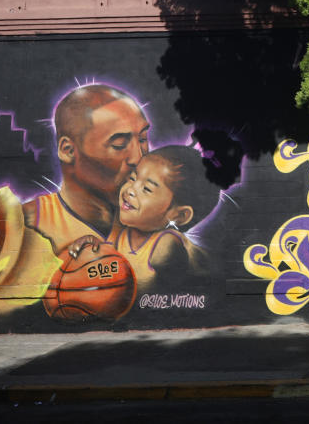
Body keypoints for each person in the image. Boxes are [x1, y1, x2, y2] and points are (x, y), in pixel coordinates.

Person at [72, 145, 220, 293]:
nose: (130, 190)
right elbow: (110, 258)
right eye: (132, 178)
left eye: (147, 189)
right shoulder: (123, 229)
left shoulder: (166, 245)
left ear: (179, 216)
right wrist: (93, 247)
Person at [23, 84, 150, 254]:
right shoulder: (24, 226)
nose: (139, 158)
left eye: (143, 139)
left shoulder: (157, 223)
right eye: (119, 145)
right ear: (68, 150)